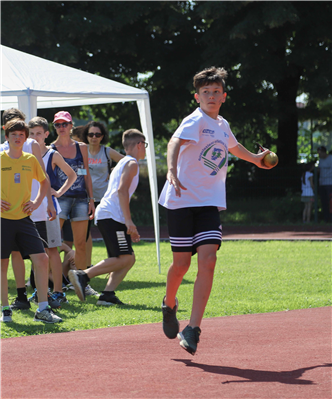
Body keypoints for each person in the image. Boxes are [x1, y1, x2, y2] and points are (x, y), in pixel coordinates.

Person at [158, 66, 274, 355]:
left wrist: (257, 160)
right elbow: (174, 142)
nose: (211, 96)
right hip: (182, 200)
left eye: (216, 92)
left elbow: (234, 148)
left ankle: (193, 328)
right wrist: (172, 168)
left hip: (208, 203)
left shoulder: (222, 124)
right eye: (205, 92)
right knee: (182, 265)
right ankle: (169, 303)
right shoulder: (194, 120)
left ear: (224, 96)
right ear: (197, 97)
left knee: (208, 260)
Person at [68, 129, 147, 306]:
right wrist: (128, 221)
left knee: (127, 259)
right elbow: (121, 191)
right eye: (145, 146)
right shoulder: (131, 163)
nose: (145, 150)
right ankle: (83, 275)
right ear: (139, 145)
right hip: (112, 216)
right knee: (125, 258)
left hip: (108, 215)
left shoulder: (122, 163)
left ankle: (107, 295)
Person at [0, 118, 62, 323]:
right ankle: (6, 310)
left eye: (21, 135)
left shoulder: (30, 159)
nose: (17, 138)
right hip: (3, 220)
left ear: (25, 137)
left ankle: (43, 309)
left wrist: (36, 203)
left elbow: (45, 182)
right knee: (2, 264)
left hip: (25, 218)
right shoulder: (0, 158)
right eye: (13, 135)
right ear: (6, 136)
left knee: (42, 259)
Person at [28, 116, 77, 304]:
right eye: (31, 133)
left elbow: (71, 175)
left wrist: (60, 192)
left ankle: (58, 291)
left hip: (49, 210)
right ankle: (42, 291)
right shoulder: (25, 154)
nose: (34, 137)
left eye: (38, 133)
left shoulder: (52, 155)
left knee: (52, 250)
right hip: (31, 209)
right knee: (37, 251)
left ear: (46, 134)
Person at [50, 111, 98, 296]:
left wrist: (91, 200)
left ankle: (82, 282)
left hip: (80, 198)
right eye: (58, 125)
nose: (61, 128)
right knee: (52, 243)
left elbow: (86, 175)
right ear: (54, 127)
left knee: (81, 243)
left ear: (71, 126)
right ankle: (50, 284)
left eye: (64, 124)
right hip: (58, 200)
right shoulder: (50, 148)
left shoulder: (82, 147)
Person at [82, 121, 124, 268]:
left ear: (102, 136)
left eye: (97, 134)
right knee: (84, 235)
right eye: (91, 134)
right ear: (86, 136)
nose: (94, 137)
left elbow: (126, 162)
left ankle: (114, 264)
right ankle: (87, 266)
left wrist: (113, 173)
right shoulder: (81, 150)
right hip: (86, 199)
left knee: (109, 233)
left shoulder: (107, 151)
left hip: (105, 199)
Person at [317, 146, 332, 223]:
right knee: (324, 201)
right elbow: (319, 170)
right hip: (322, 183)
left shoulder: (330, 159)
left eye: (320, 153)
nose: (319, 155)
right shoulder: (320, 160)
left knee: (330, 201)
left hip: (330, 183)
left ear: (324, 152)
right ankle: (326, 218)